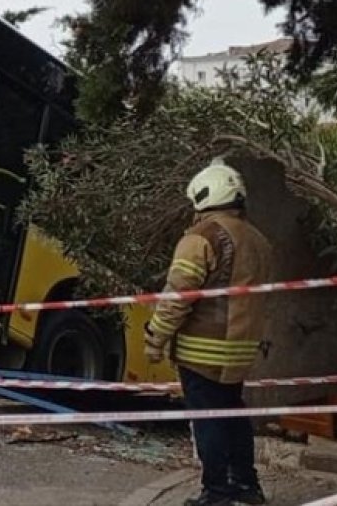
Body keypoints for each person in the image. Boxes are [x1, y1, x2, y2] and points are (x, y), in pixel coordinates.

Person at [143, 160, 273, 506]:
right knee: (233, 413)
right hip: (242, 350)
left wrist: (155, 337)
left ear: (205, 195)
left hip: (203, 350)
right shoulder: (258, 240)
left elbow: (178, 296)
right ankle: (247, 486)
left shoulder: (202, 237)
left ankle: (216, 492)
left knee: (208, 420)